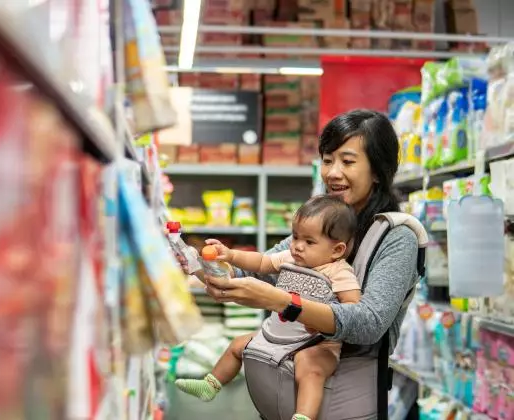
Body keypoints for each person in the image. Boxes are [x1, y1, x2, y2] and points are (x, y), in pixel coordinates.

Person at [177, 109, 420, 419]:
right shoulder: (318, 223)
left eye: (347, 161)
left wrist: (282, 302)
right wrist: (205, 265)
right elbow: (258, 270)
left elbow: (368, 323)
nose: (332, 172)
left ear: (378, 170)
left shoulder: (395, 237)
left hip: (343, 401)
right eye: (327, 159)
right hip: (279, 391)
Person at [175, 195, 359, 420]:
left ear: (337, 250)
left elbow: (352, 310)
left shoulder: (338, 271)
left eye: (309, 242)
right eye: (296, 237)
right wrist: (231, 255)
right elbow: (261, 262)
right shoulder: (290, 258)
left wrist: (322, 320)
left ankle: (303, 416)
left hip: (317, 343)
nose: (298, 246)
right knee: (237, 345)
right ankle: (210, 385)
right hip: (277, 334)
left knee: (311, 368)